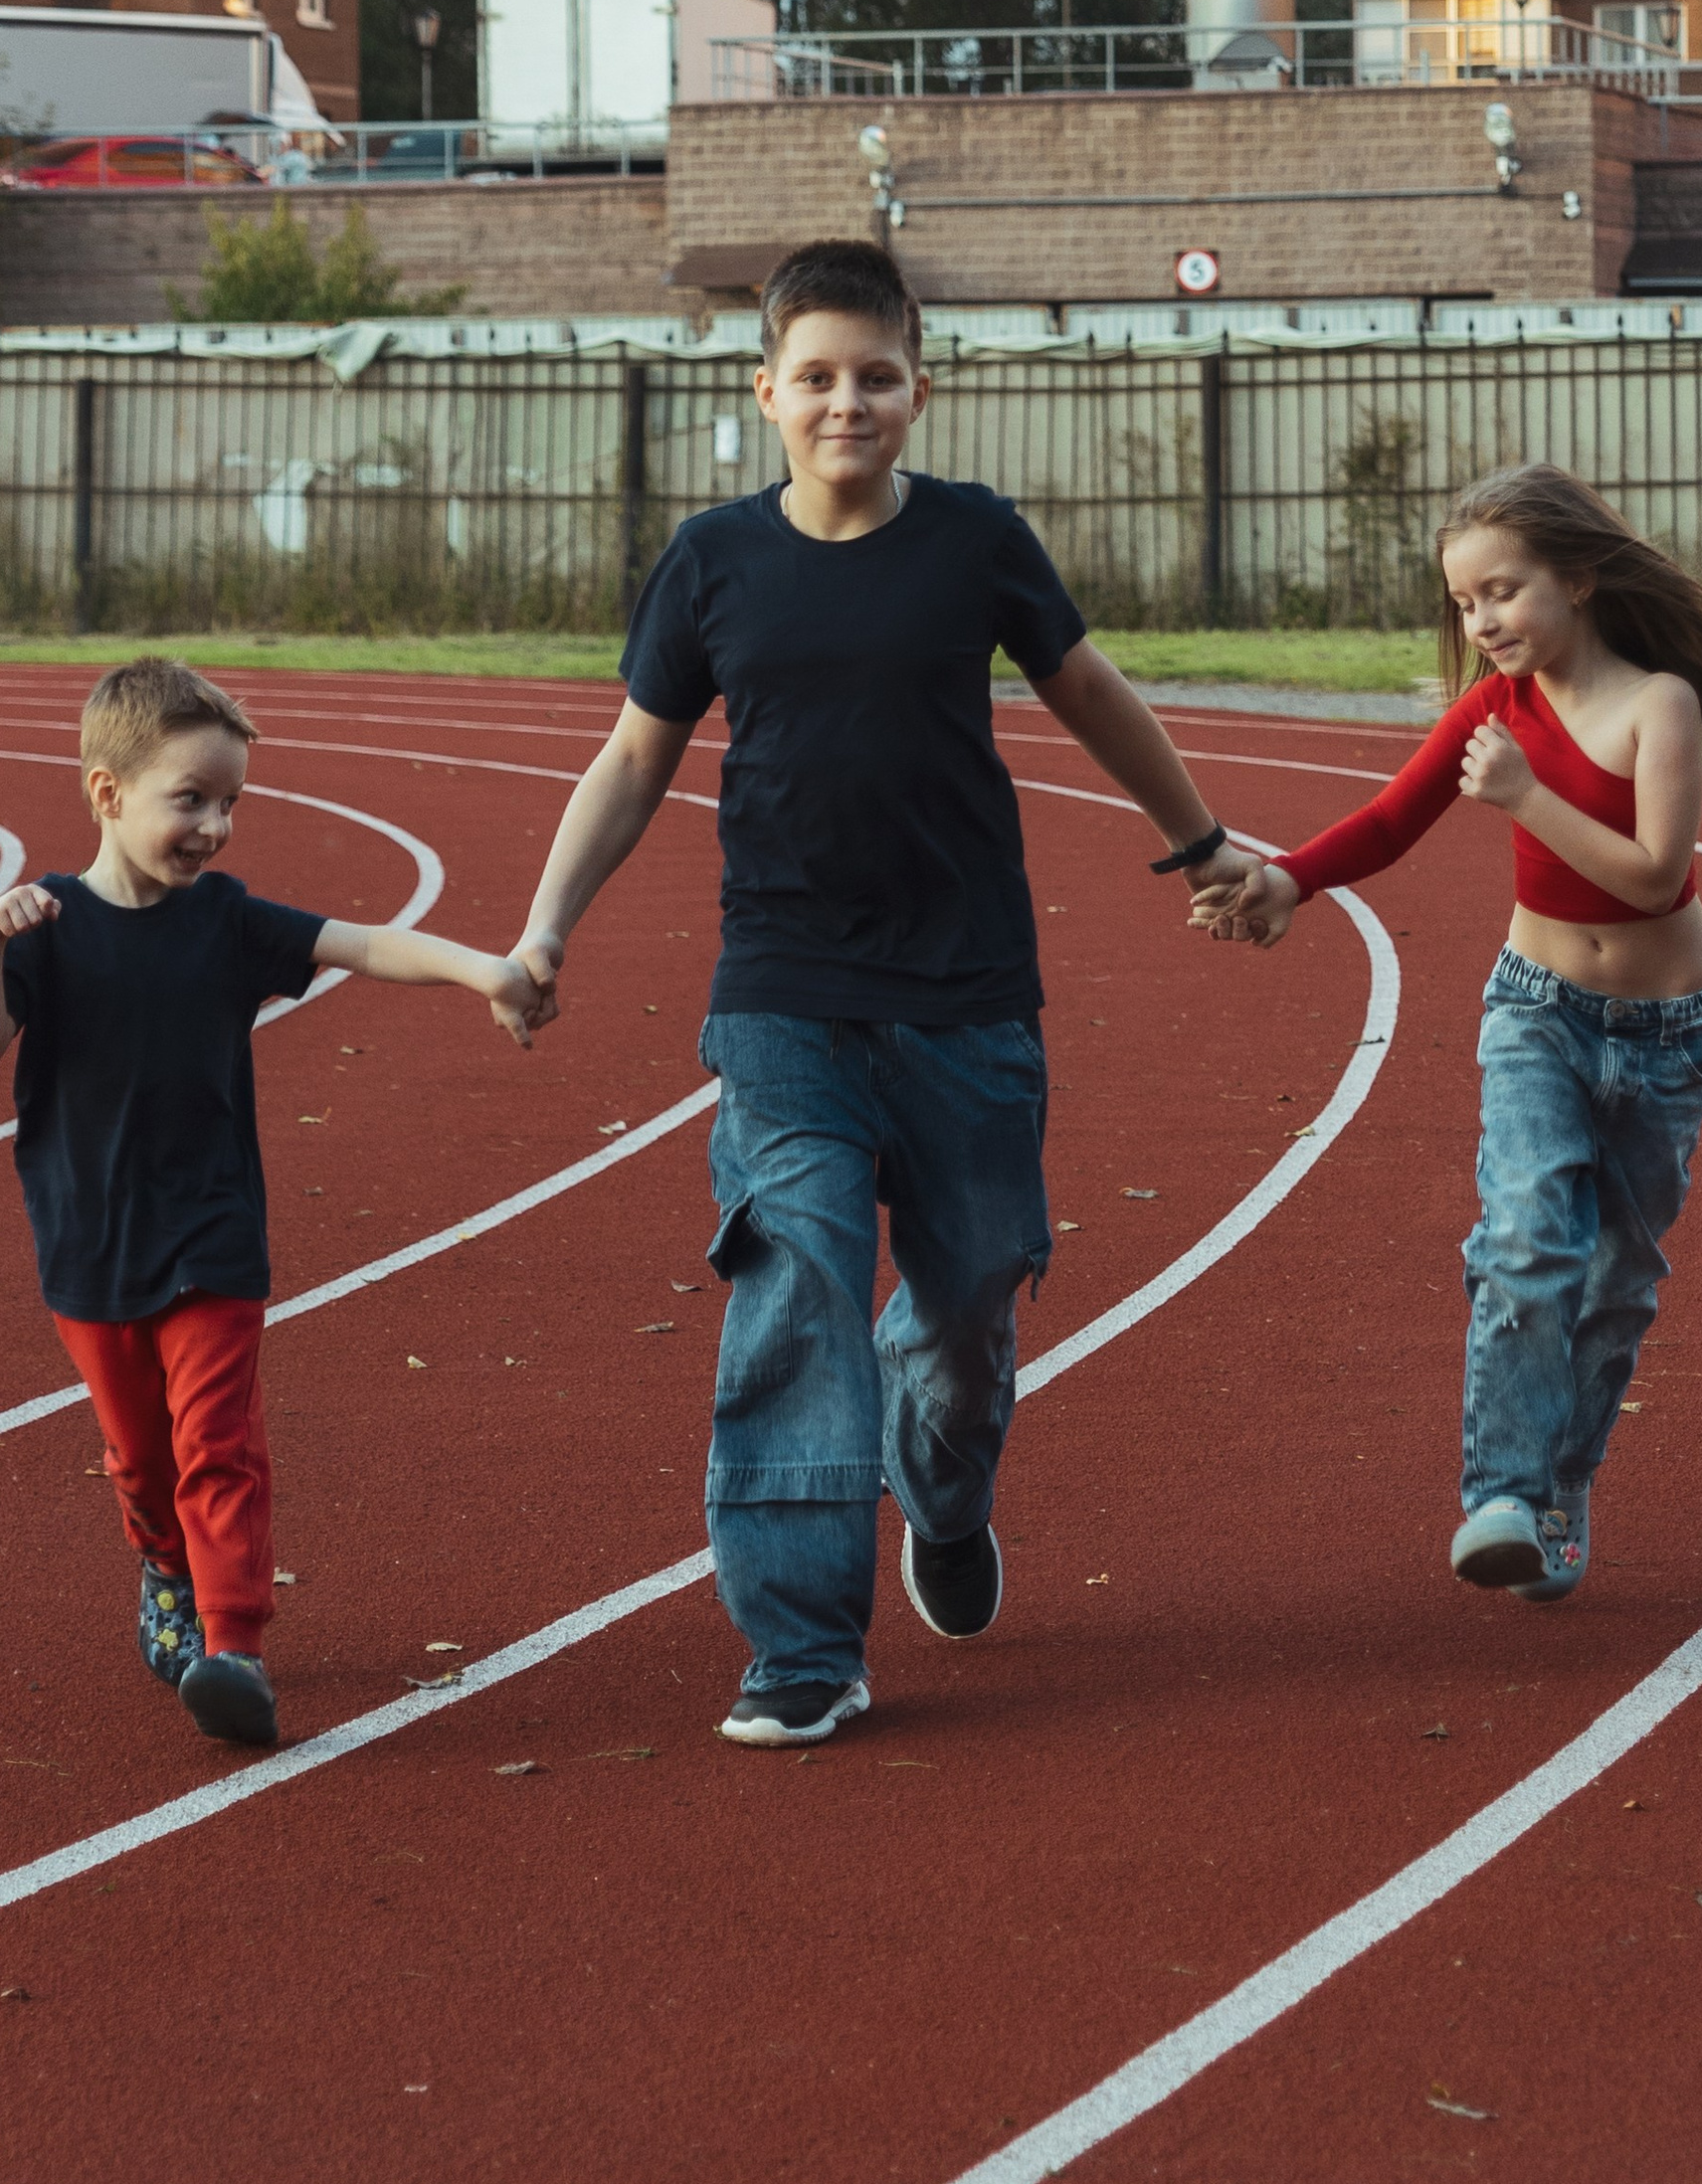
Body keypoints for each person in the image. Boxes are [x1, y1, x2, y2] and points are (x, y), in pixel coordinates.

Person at [502, 239, 1254, 1747]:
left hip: (968, 997)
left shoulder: (974, 540)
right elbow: (634, 755)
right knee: (796, 1286)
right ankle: (801, 1646)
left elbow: (1090, 690)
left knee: (969, 1302)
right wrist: (543, 931)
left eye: (878, 377)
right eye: (819, 378)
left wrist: (1200, 843)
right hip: (783, 992)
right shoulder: (714, 562)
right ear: (766, 389)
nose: (849, 403)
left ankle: (948, 1489)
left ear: (922, 387)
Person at [0, 656, 543, 1747]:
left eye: (230, 804)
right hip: (90, 1241)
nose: (216, 826)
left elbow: (363, 944)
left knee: (219, 1439)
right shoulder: (49, 926)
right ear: (106, 793)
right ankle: (164, 1565)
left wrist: (485, 970)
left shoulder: (224, 920)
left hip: (213, 1233)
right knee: (142, 1457)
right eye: (192, 800)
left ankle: (232, 1646)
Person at [1192, 464, 1702, 1601]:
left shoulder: (1659, 706)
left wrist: (1524, 798)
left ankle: (1561, 1485)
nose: (1481, 620)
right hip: (1536, 1012)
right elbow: (1393, 818)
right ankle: (1501, 1494)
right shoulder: (1495, 710)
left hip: (1663, 1035)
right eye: (1462, 602)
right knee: (1525, 1240)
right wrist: (1290, 879)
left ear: (1580, 578)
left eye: (1501, 591)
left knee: (1617, 1282)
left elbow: (1652, 880)